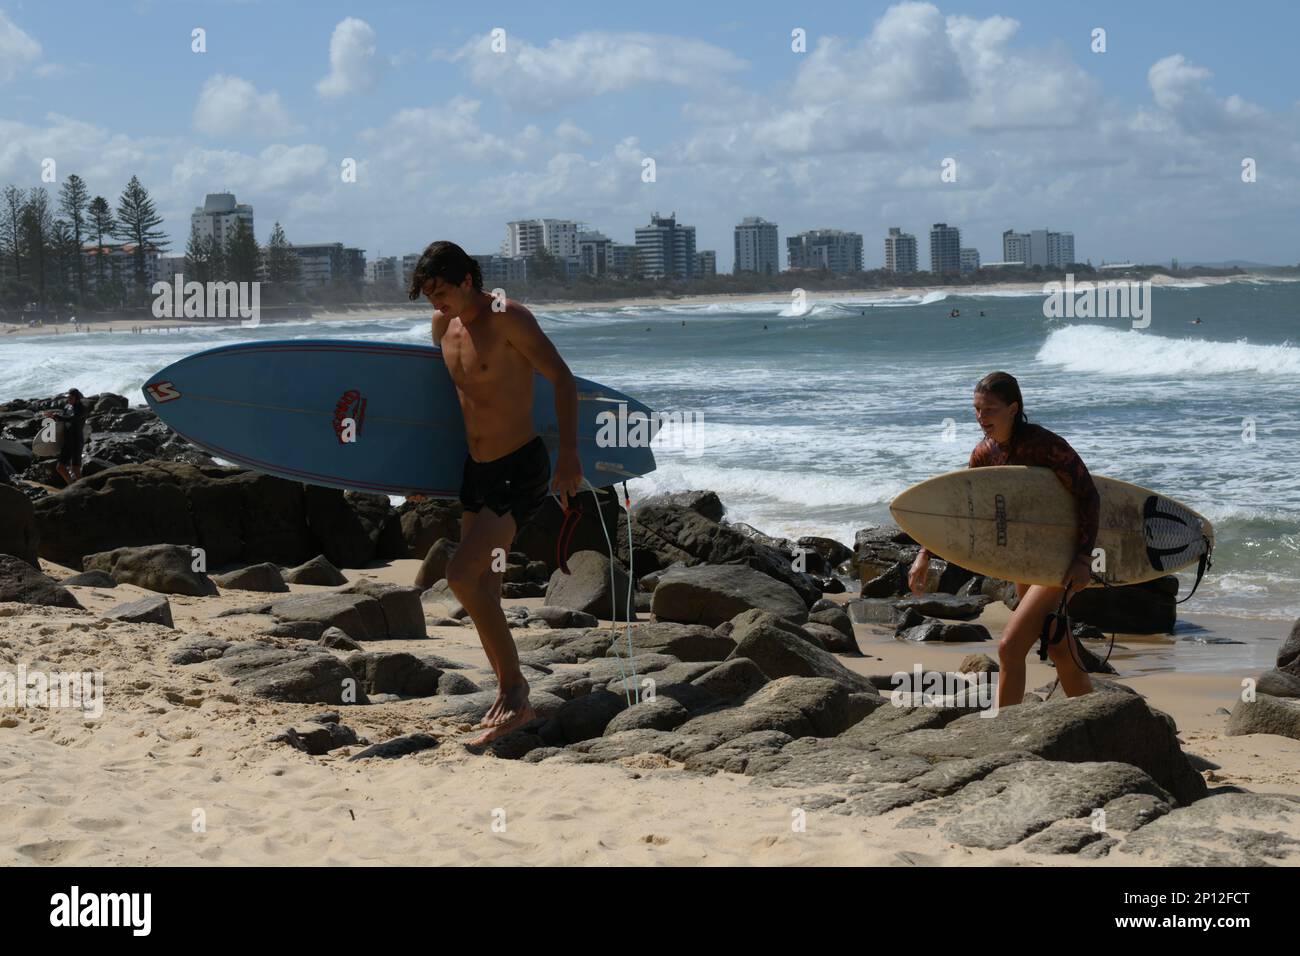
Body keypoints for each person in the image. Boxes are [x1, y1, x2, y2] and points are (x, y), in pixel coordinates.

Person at [409, 241, 582, 745]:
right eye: (426, 296)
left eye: (440, 292)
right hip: (476, 471)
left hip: (520, 467)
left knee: (459, 574)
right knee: (484, 586)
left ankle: (514, 690)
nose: (434, 305)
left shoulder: (510, 318)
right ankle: (512, 705)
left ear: (467, 280)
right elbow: (447, 406)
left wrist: (569, 455)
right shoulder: (445, 327)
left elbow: (562, 378)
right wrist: (413, 474)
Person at [907, 371, 1099, 708]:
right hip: (1025, 563)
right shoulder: (984, 455)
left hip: (1059, 558)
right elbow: (963, 511)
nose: (981, 418)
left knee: (1009, 648)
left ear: (1013, 408)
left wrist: (1083, 558)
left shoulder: (1045, 446)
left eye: (989, 410)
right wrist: (924, 553)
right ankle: (1095, 716)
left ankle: (1005, 730)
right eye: (977, 410)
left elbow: (1088, 496)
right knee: (1057, 643)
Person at [43, 388, 87, 486]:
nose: (69, 400)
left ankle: (83, 488)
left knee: (75, 468)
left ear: (77, 398)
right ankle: (71, 486)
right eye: (68, 398)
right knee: (60, 467)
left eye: (71, 398)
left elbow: (72, 419)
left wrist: (56, 416)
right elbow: (63, 421)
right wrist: (52, 417)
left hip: (76, 441)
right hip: (67, 441)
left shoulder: (81, 409)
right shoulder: (67, 407)